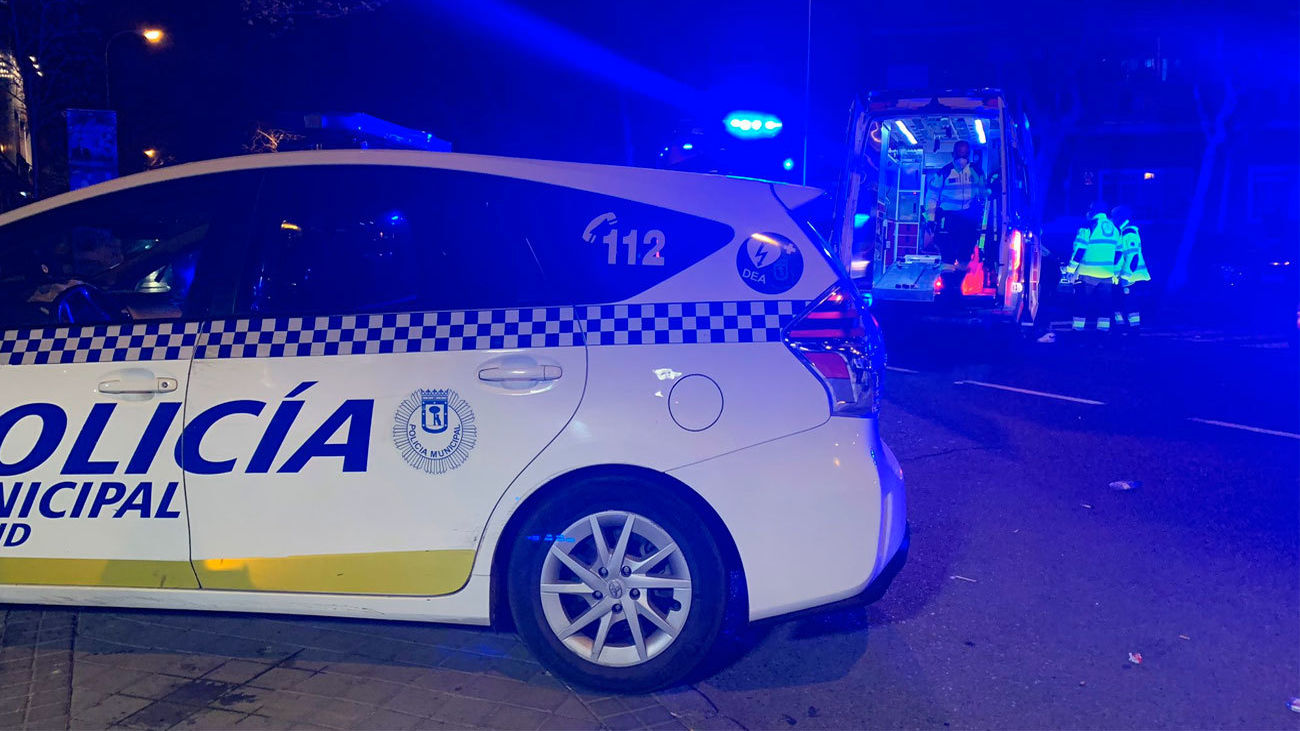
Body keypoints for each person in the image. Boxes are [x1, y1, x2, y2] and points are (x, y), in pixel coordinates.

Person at [925, 140, 986, 301]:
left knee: (965, 255)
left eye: (965, 154)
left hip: (968, 218)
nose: (962, 157)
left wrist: (980, 218)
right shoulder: (944, 172)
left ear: (969, 154)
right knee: (948, 255)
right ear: (953, 154)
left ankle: (957, 287)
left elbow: (983, 195)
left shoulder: (976, 172)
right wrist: (930, 219)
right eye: (959, 153)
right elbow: (931, 196)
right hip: (949, 217)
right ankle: (947, 291)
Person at [1065, 200, 1122, 337]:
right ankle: (1102, 333)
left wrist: (1070, 270)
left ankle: (1077, 333)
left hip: (1087, 273)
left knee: (1081, 303)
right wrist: (1112, 269)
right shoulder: (1115, 229)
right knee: (1104, 305)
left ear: (1093, 211)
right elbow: (1119, 252)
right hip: (1107, 274)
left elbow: (1080, 250)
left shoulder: (1088, 226)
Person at [1111, 205, 1150, 333]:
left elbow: (1133, 257)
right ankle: (1123, 329)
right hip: (1125, 277)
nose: (1112, 219)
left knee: (1129, 304)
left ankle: (1133, 331)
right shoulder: (1124, 232)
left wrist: (1125, 277)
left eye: (1114, 216)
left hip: (1130, 278)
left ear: (1121, 217)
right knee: (1121, 304)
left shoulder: (1129, 233)